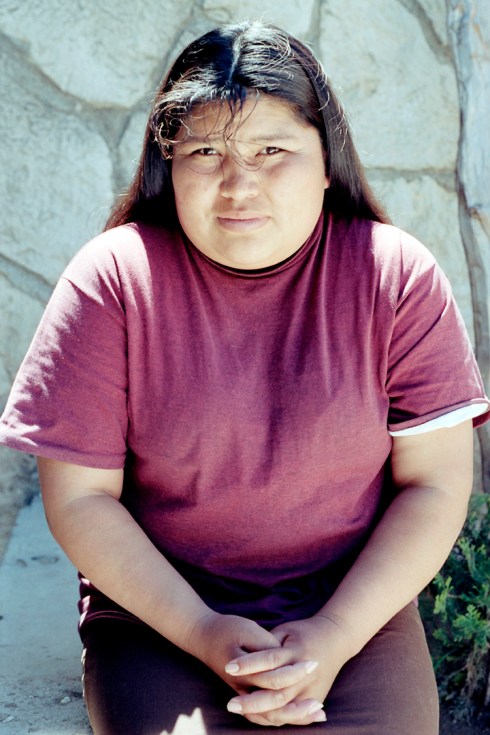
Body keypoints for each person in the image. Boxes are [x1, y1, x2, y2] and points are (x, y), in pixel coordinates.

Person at [0, 20, 489, 735]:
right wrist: (202, 630)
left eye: (271, 150)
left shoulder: (395, 278)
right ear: (169, 163)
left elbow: (436, 484)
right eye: (206, 151)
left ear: (327, 160)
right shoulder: (113, 282)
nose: (239, 183)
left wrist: (335, 634)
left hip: (354, 608)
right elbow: (80, 500)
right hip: (159, 610)